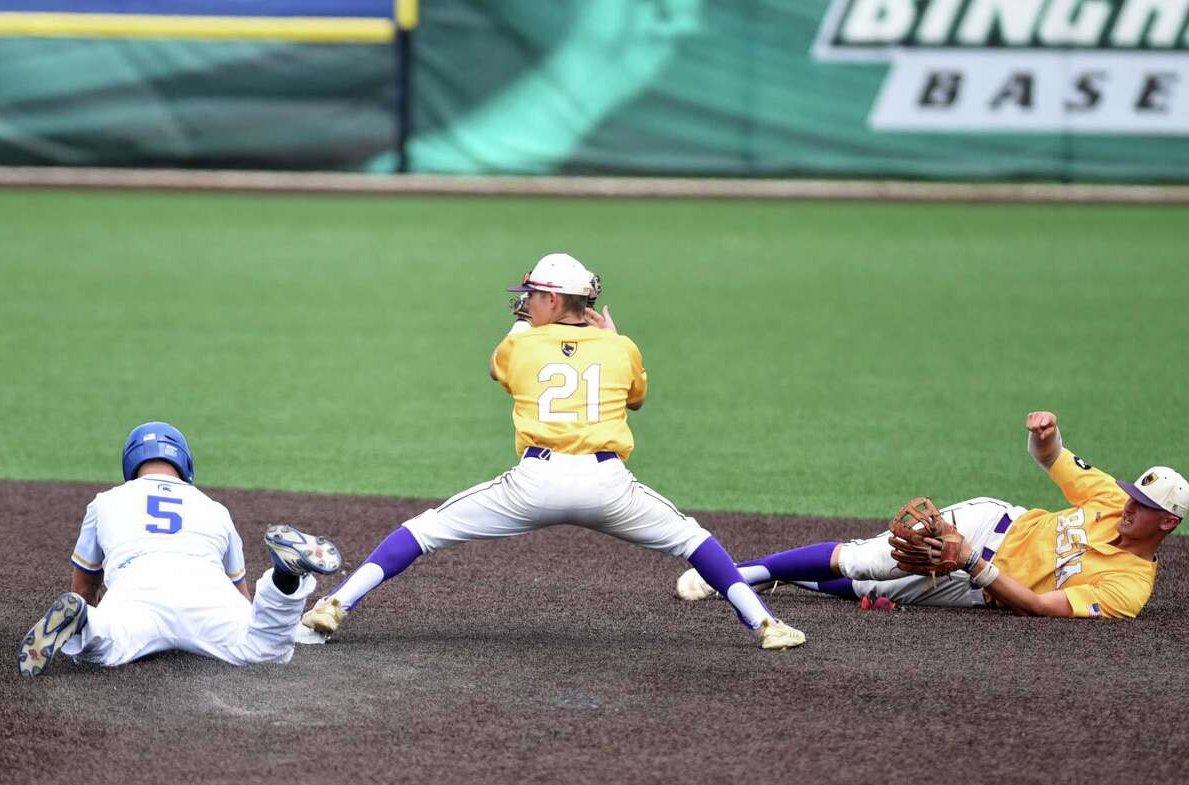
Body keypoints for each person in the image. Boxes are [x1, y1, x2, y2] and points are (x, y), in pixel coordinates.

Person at [298, 253, 804, 649]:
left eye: (534, 296)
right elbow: (638, 399)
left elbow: (499, 368)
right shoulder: (622, 346)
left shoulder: (520, 345)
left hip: (535, 483)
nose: (526, 304)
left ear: (555, 301)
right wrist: (610, 338)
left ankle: (335, 605)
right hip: (609, 486)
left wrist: (527, 328)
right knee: (694, 541)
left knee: (423, 530)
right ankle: (765, 623)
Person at [676, 411, 1186, 619]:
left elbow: (1036, 605)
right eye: (1132, 497)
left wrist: (973, 566)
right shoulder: (1108, 501)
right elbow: (1052, 457)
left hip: (980, 585)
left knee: (867, 590)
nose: (1128, 508)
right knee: (867, 561)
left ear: (1168, 523)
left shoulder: (1128, 588)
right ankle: (740, 575)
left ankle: (782, 580)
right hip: (987, 525)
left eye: (1143, 508)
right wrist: (1044, 437)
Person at [17, 421, 343, 676]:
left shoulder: (106, 502)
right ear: (184, 462)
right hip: (205, 586)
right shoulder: (214, 508)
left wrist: (90, 609)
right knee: (265, 649)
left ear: (130, 464)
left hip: (138, 588)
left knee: (102, 646)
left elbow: (85, 584)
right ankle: (285, 578)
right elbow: (241, 596)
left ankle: (84, 622)